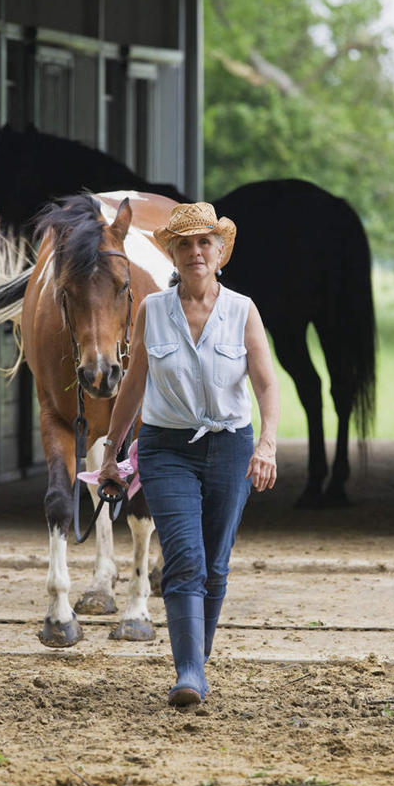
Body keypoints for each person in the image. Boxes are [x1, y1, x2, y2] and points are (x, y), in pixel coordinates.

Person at [98, 202, 280, 706]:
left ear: (219, 252)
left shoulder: (242, 310)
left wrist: (266, 444)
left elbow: (266, 384)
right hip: (166, 448)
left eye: (204, 242)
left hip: (230, 446)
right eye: (184, 244)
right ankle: (189, 674)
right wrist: (112, 452)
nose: (195, 252)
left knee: (215, 565)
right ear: (173, 255)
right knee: (184, 558)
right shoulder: (152, 310)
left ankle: (197, 658)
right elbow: (134, 383)